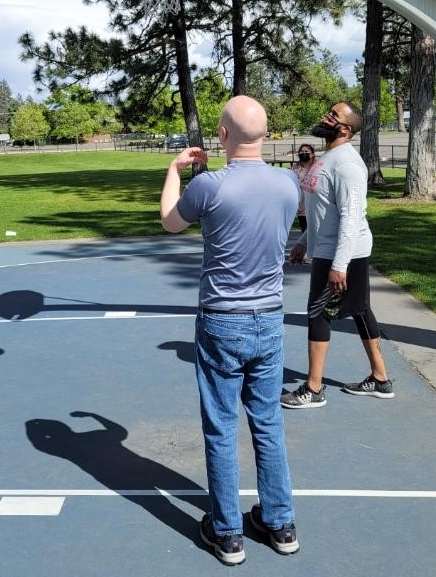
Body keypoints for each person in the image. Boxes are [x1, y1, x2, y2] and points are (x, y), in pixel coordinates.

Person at [160, 96, 301, 565]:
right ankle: (279, 523)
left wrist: (175, 170)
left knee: (221, 427)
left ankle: (227, 533)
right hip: (270, 318)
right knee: (268, 423)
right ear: (264, 134)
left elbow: (169, 222)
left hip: (223, 319)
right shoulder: (287, 183)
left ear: (222, 135)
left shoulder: (209, 186)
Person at [281, 101, 394, 409]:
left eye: (332, 115)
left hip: (342, 254)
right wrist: (305, 240)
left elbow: (350, 216)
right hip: (332, 251)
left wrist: (339, 264)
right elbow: (323, 212)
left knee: (318, 313)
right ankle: (380, 379)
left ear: (344, 129)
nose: (324, 117)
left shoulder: (347, 164)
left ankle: (314, 389)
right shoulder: (329, 159)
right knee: (360, 310)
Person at [291, 143, 317, 234]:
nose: (304, 153)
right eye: (301, 151)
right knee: (305, 232)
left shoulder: (318, 166)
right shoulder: (295, 168)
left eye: (306, 151)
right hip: (302, 206)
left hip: (315, 204)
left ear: (312, 154)